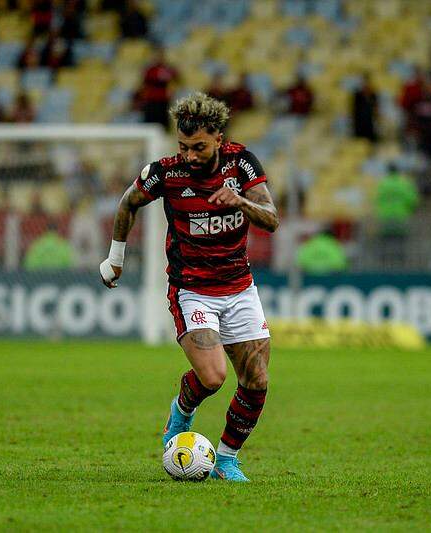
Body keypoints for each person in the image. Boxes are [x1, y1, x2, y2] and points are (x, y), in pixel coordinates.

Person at [99, 93, 278, 482]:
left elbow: (271, 219)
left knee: (257, 381)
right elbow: (128, 203)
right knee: (213, 377)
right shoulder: (166, 173)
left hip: (239, 287)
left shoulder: (241, 163)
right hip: (192, 289)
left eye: (198, 147)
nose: (190, 156)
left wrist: (241, 202)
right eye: (183, 147)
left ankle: (227, 459)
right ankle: (182, 410)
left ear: (218, 138)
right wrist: (115, 257)